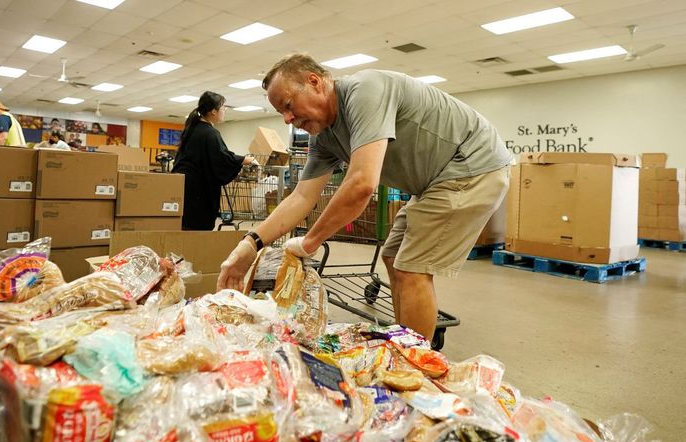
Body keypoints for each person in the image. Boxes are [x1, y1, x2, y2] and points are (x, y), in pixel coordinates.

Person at [218, 53, 511, 340]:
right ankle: (405, 343)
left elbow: (362, 184)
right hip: (434, 183)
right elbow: (301, 197)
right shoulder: (325, 139)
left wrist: (310, 242)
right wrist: (250, 243)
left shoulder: (364, 91)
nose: (287, 119)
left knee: (411, 269)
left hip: (470, 166)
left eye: (288, 105)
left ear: (315, 81)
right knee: (393, 256)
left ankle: (415, 370)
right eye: (281, 112)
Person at [172, 91, 259, 230]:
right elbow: (221, 158)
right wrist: (244, 159)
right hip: (198, 192)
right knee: (197, 230)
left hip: (184, 188)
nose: (225, 111)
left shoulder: (193, 129)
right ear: (213, 111)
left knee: (185, 227)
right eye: (223, 107)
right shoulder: (210, 133)